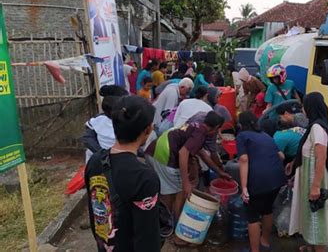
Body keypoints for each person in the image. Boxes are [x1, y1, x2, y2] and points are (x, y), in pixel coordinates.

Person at [85, 95, 161, 251]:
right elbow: (147, 238)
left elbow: (95, 212)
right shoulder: (145, 177)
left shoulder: (94, 161)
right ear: (148, 129)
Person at [145, 112, 225, 218]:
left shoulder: (196, 126)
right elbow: (183, 153)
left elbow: (204, 155)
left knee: (167, 189)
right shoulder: (201, 133)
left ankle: (165, 220)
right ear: (215, 128)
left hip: (153, 151)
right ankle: (173, 224)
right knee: (178, 192)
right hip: (165, 157)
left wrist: (219, 172)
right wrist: (186, 183)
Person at [289, 92, 328, 252]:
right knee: (310, 212)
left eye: (304, 105)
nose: (303, 109)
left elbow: (321, 158)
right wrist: (293, 163)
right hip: (308, 174)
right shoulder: (315, 125)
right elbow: (306, 150)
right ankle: (311, 244)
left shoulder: (317, 128)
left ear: (310, 107)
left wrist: (316, 186)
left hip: (316, 177)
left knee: (318, 214)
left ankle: (318, 249)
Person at [237, 111, 286, 252]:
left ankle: (255, 250)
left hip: (259, 181)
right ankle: (264, 241)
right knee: (267, 209)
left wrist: (244, 187)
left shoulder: (242, 136)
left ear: (241, 124)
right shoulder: (265, 135)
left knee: (252, 216)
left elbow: (244, 160)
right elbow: (281, 156)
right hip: (277, 178)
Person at [82, 85, 128, 163]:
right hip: (101, 160)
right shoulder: (99, 119)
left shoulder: (127, 119)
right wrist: (103, 153)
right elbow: (87, 138)